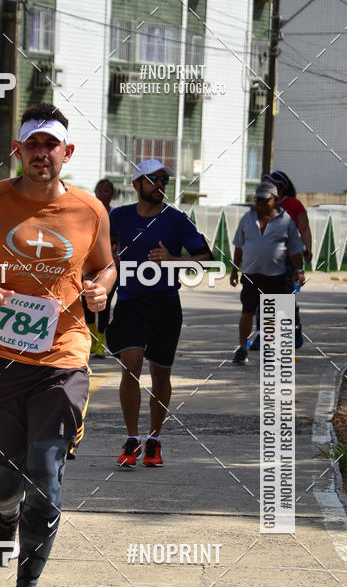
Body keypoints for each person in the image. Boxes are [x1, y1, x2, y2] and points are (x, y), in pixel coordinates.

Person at [0, 102, 115, 587]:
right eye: (32, 144)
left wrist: (101, 289)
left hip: (63, 356)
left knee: (46, 475)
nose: (42, 153)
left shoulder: (90, 210)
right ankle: (6, 513)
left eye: (51, 145)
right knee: (1, 476)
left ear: (67, 152)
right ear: (18, 150)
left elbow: (104, 264)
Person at [106, 158, 211, 468]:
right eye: (153, 179)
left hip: (165, 305)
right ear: (137, 183)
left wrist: (173, 259)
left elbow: (205, 258)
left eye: (164, 179)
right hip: (130, 303)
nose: (160, 185)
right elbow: (104, 248)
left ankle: (154, 438)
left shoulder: (176, 220)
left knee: (160, 373)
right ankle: (132, 438)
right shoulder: (119, 216)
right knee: (131, 363)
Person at [230, 181, 304, 365]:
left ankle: (269, 349)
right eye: (258, 200)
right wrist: (234, 270)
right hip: (250, 273)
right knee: (247, 311)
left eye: (265, 200)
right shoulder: (247, 218)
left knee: (271, 313)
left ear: (275, 199)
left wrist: (299, 270)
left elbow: (295, 248)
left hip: (275, 275)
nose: (260, 204)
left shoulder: (285, 220)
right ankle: (242, 347)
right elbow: (239, 246)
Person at [262, 169, 312, 348]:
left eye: (271, 183)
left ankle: (294, 334)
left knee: (287, 297)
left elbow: (304, 228)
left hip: (290, 260)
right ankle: (265, 338)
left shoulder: (294, 204)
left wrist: (308, 248)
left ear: (280, 187)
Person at [84, 178, 116, 358]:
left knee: (104, 303)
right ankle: (91, 339)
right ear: (95, 192)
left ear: (112, 194)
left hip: (109, 267)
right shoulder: (87, 212)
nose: (104, 193)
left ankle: (101, 343)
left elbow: (119, 241)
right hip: (87, 266)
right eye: (101, 190)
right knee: (86, 302)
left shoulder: (115, 215)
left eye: (107, 190)